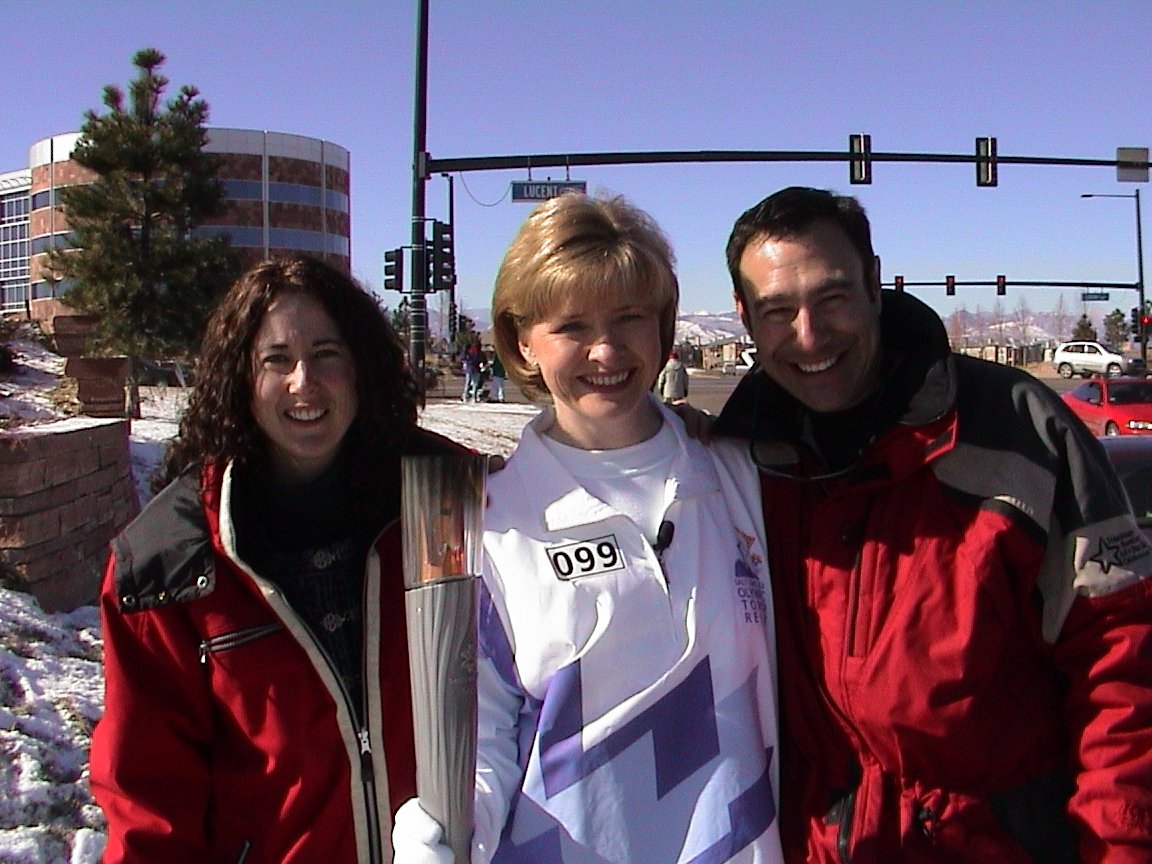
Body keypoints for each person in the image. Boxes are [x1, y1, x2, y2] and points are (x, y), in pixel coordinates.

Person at [714, 186, 1152, 863]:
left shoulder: (1014, 428)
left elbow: (1121, 663)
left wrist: (1119, 848)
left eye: (832, 298)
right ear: (744, 317)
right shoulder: (735, 464)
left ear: (874, 283)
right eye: (777, 311)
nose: (810, 335)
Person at [393, 193, 785, 863]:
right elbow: (481, 737)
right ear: (522, 340)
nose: (606, 349)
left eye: (629, 317)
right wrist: (444, 830)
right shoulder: (488, 521)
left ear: (661, 327)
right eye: (571, 325)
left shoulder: (738, 475)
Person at [90, 256, 465, 864]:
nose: (302, 382)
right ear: (240, 377)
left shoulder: (445, 502)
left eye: (326, 354)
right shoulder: (169, 568)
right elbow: (147, 799)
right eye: (275, 359)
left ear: (362, 366)